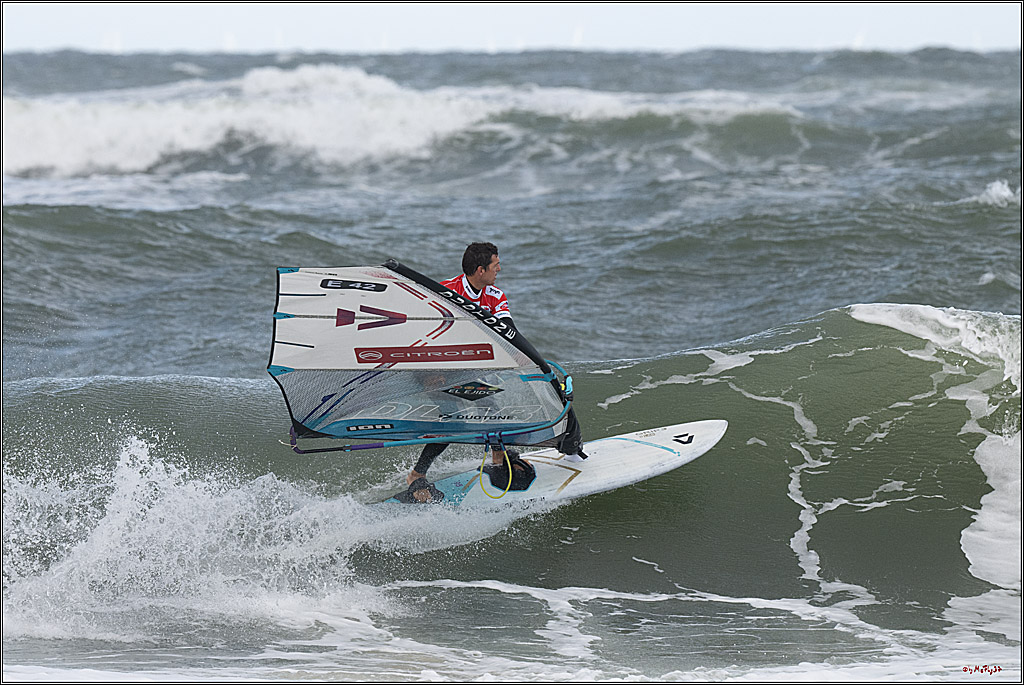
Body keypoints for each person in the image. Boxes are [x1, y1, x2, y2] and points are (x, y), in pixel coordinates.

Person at [397, 242, 586, 503]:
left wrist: (527, 359)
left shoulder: (494, 295)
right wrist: (430, 371)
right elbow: (417, 331)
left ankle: (498, 457)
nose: (500, 269)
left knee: (492, 405)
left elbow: (508, 331)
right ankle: (416, 474)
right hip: (434, 367)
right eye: (495, 265)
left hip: (463, 366)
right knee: (454, 420)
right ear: (480, 269)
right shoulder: (445, 292)